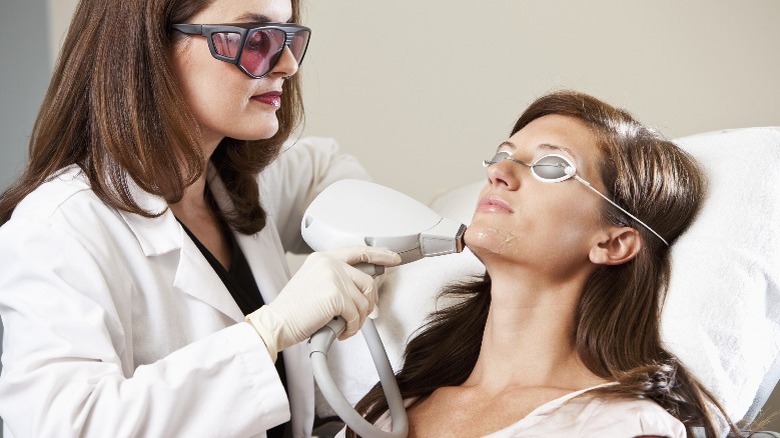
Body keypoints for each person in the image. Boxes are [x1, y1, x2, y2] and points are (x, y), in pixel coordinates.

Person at [0, 0, 401, 436]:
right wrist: (269, 331)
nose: (287, 64)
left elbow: (328, 169)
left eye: (288, 35)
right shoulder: (59, 227)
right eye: (256, 38)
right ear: (150, 48)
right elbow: (65, 426)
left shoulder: (236, 181)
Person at [346, 90, 741, 437]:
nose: (498, 172)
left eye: (552, 167)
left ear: (614, 243)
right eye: (502, 154)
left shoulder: (622, 426)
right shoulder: (388, 409)